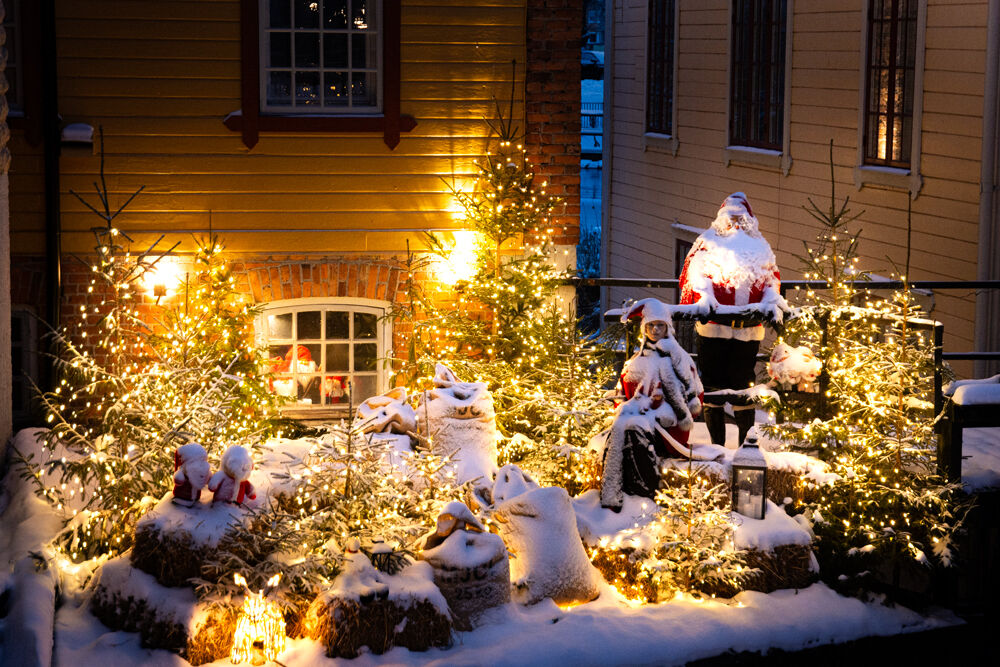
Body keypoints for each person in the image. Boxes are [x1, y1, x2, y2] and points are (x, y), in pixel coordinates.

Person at [678, 192, 786, 446]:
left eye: (741, 218)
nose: (736, 223)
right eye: (731, 217)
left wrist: (771, 302)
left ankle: (744, 445)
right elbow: (694, 276)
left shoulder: (760, 249)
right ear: (721, 219)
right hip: (713, 329)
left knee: (743, 386)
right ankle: (717, 445)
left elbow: (772, 280)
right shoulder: (706, 244)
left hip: (747, 333)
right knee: (713, 386)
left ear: (749, 219)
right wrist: (703, 300)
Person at [600, 298, 703, 510]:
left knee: (634, 430)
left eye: (660, 325)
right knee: (621, 431)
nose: (655, 330)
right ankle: (616, 495)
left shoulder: (680, 359)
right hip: (641, 419)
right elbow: (622, 394)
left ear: (668, 328)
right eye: (651, 326)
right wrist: (626, 407)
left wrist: (661, 409)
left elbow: (695, 398)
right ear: (644, 328)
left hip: (669, 429)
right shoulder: (636, 362)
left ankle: (644, 494)